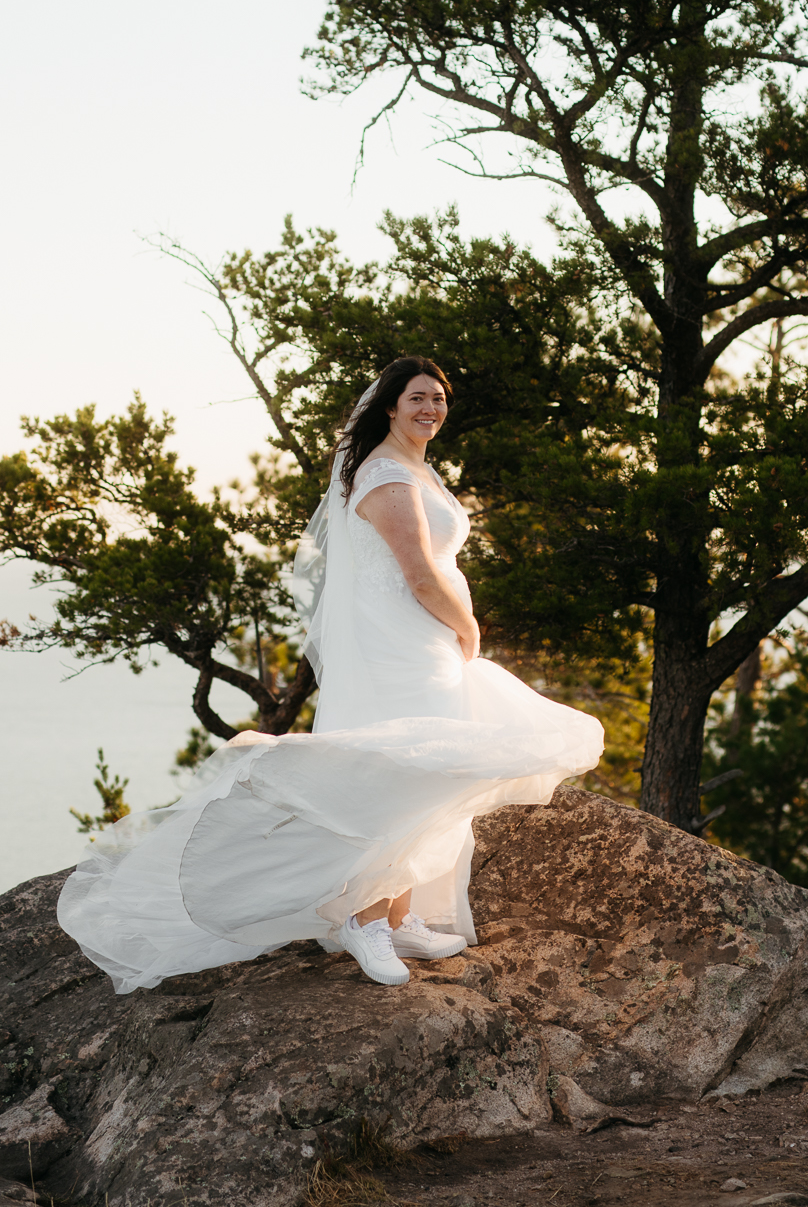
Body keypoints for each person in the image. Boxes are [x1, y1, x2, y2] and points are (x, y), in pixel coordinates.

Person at [56, 357, 603, 988]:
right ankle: (362, 922)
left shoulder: (413, 467)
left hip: (421, 642)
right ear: (390, 407)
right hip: (397, 647)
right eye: (417, 398)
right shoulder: (387, 476)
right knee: (390, 775)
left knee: (428, 775)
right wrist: (470, 627)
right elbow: (419, 572)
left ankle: (399, 915)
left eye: (439, 399)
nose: (431, 409)